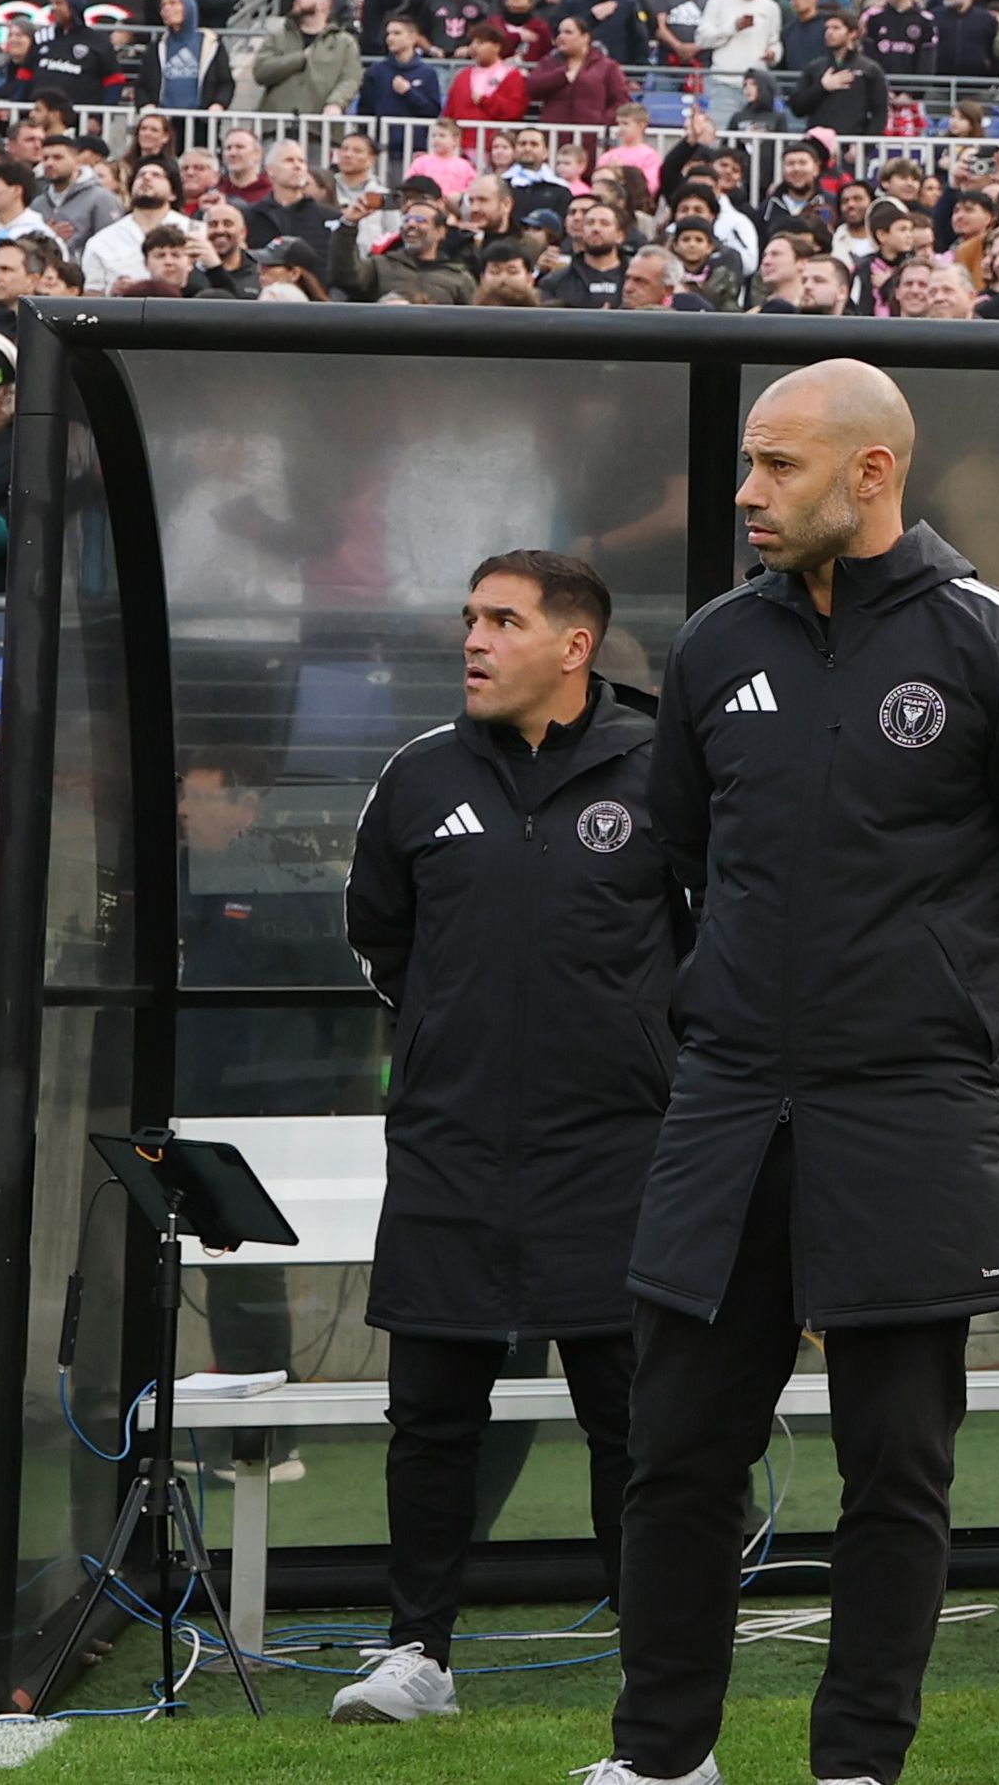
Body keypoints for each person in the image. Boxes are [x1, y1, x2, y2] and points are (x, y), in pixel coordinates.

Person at [602, 362, 999, 1785]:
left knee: (895, 1462)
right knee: (676, 1447)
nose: (747, 492)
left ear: (871, 472)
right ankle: (663, 1757)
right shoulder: (716, 645)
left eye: (778, 465)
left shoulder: (998, 641)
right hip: (727, 1109)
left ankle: (856, 1766)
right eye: (749, 463)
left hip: (909, 1109)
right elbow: (682, 853)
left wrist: (941, 1005)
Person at [331, 552, 678, 1726]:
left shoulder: (665, 768)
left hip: (617, 1152)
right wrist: (452, 1035)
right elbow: (380, 935)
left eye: (503, 620)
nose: (473, 639)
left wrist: (643, 1051)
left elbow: (712, 939)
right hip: (453, 1146)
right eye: (470, 618)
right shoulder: (420, 773)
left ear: (575, 646)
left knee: (630, 1422)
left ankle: (655, 1656)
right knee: (431, 1416)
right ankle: (417, 1654)